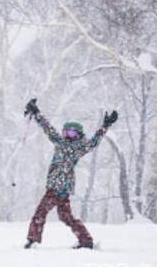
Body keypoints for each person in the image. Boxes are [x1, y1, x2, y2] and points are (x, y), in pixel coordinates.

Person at [23, 98, 118, 249]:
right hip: (62, 188)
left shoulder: (79, 147)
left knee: (41, 212)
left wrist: (105, 125)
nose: (68, 135)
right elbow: (48, 128)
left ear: (78, 134)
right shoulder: (60, 142)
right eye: (66, 132)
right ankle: (85, 240)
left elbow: (94, 142)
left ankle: (33, 240)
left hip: (57, 187)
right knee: (65, 216)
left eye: (72, 133)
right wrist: (36, 113)